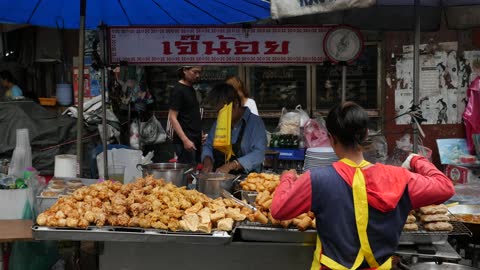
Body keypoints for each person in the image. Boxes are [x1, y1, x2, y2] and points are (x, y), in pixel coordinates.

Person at [271, 102, 455, 270]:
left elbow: (279, 210)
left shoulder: (317, 179)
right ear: (366, 134)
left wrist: (287, 179)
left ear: (331, 138)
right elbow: (446, 187)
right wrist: (416, 159)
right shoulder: (399, 178)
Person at [202, 83, 266, 174]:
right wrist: (207, 160)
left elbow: (259, 154)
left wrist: (232, 165)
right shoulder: (218, 122)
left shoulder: (255, 123)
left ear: (236, 103)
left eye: (223, 112)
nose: (220, 116)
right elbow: (208, 145)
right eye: (218, 112)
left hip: (246, 178)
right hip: (218, 176)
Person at [168, 66, 203, 165]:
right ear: (185, 70)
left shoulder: (191, 88)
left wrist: (200, 133)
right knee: (187, 172)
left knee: (195, 171)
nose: (197, 75)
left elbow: (192, 113)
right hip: (186, 139)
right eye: (195, 72)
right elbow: (172, 117)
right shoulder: (178, 90)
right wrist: (185, 140)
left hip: (195, 137)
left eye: (199, 73)